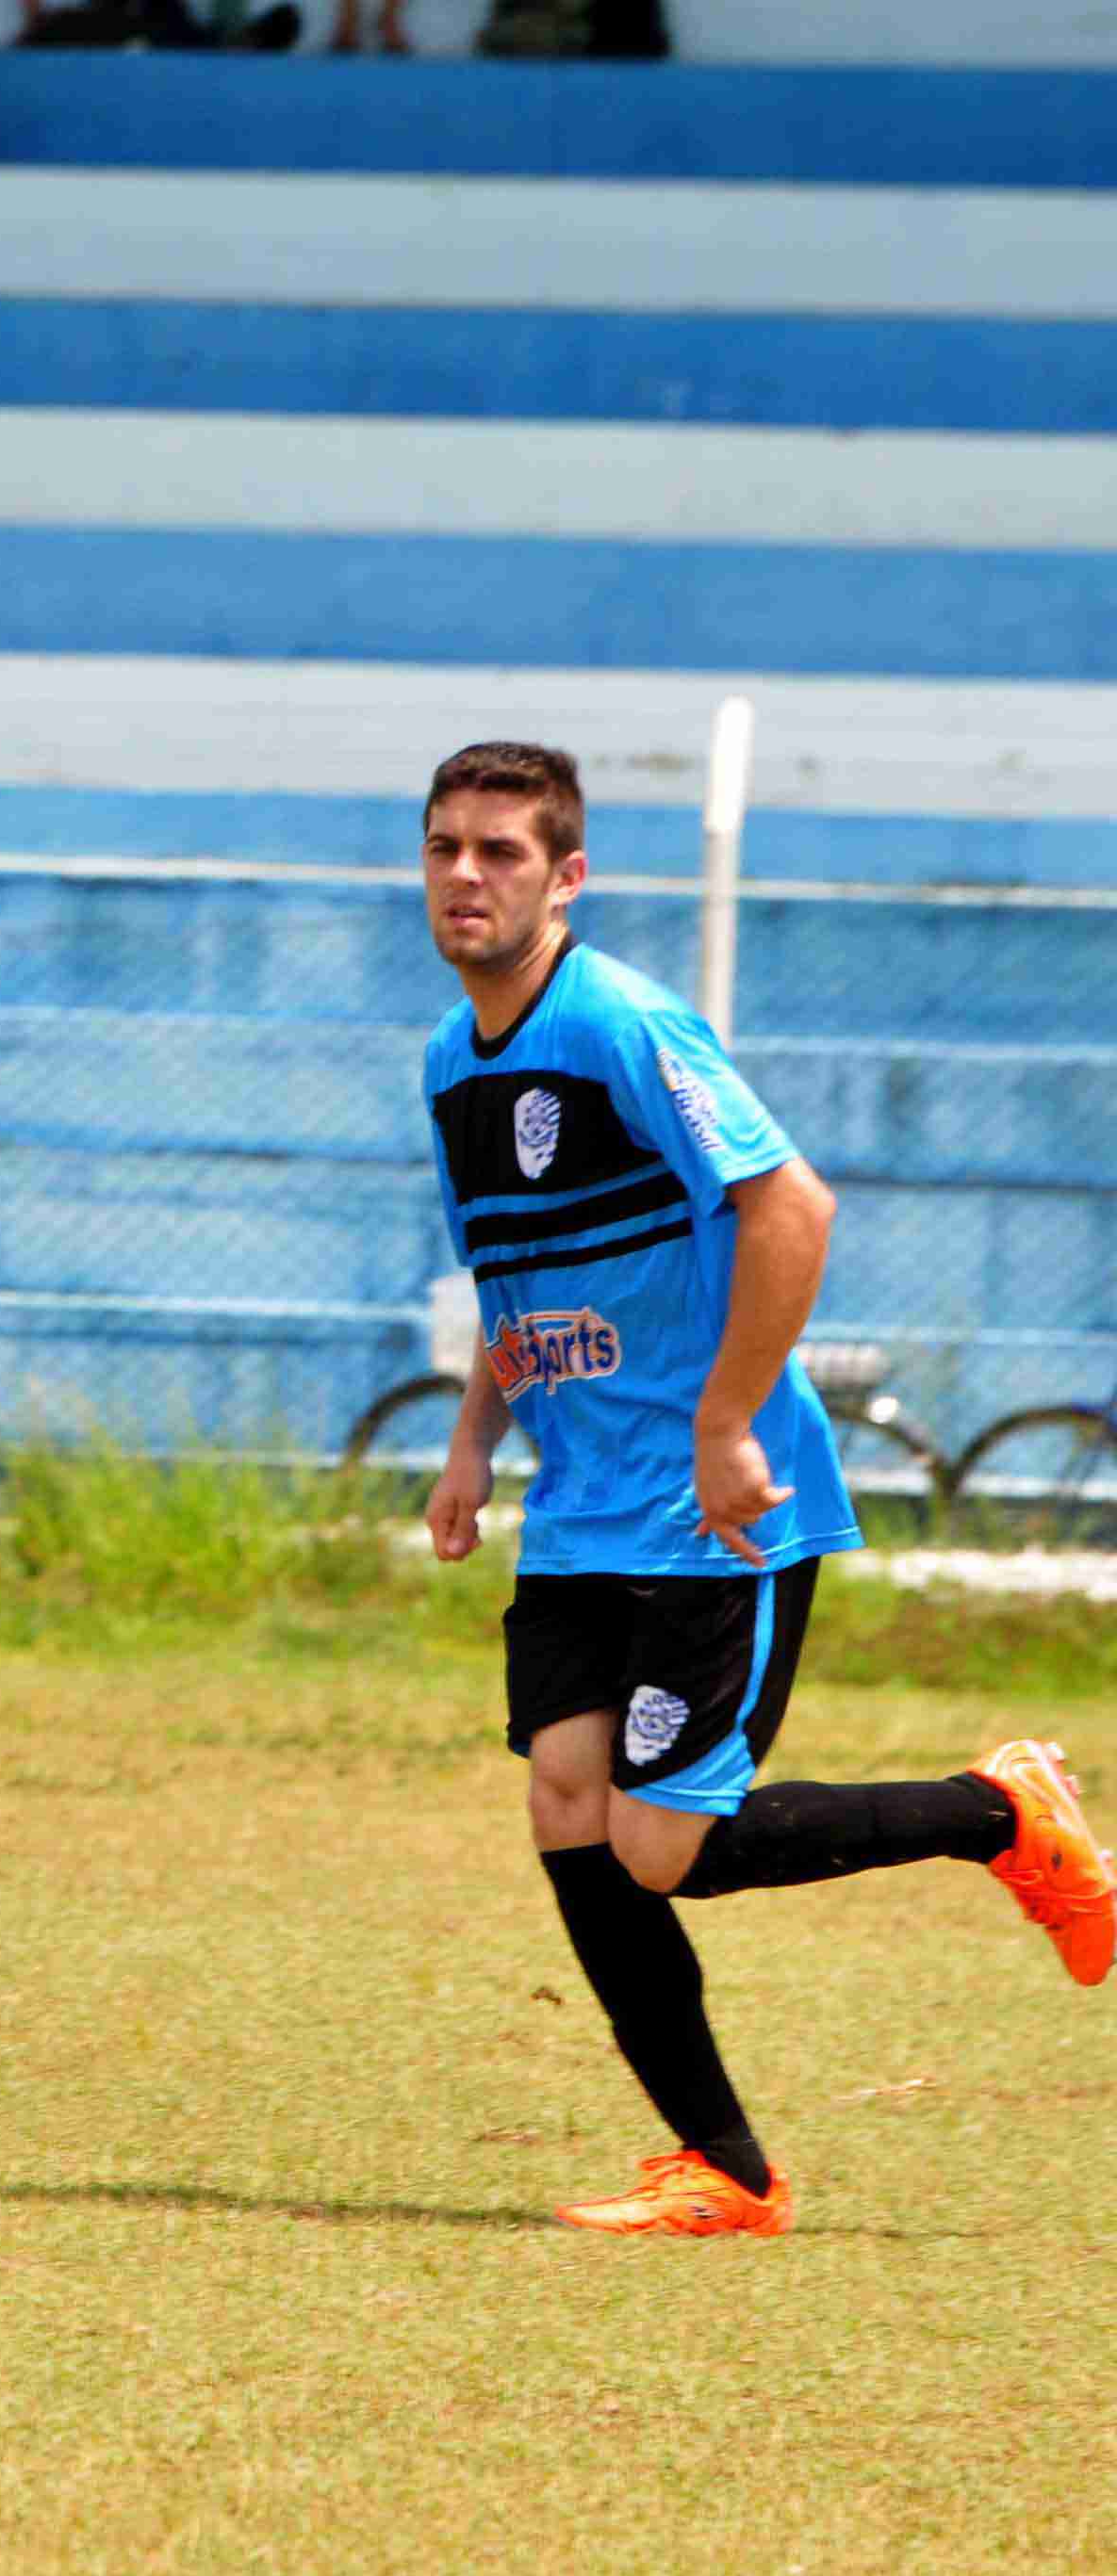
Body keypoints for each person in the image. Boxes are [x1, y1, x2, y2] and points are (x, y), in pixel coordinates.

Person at [414, 740, 1108, 2237]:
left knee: (665, 1844)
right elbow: (514, 1269)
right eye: (446, 849)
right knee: (565, 1802)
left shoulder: (623, 1024)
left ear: (567, 876)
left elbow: (791, 1203)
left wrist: (730, 1420)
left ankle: (997, 1813)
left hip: (713, 1501)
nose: (468, 877)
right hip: (583, 1501)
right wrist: (474, 1437)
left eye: (503, 853)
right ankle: (724, 2170)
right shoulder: (448, 1061)